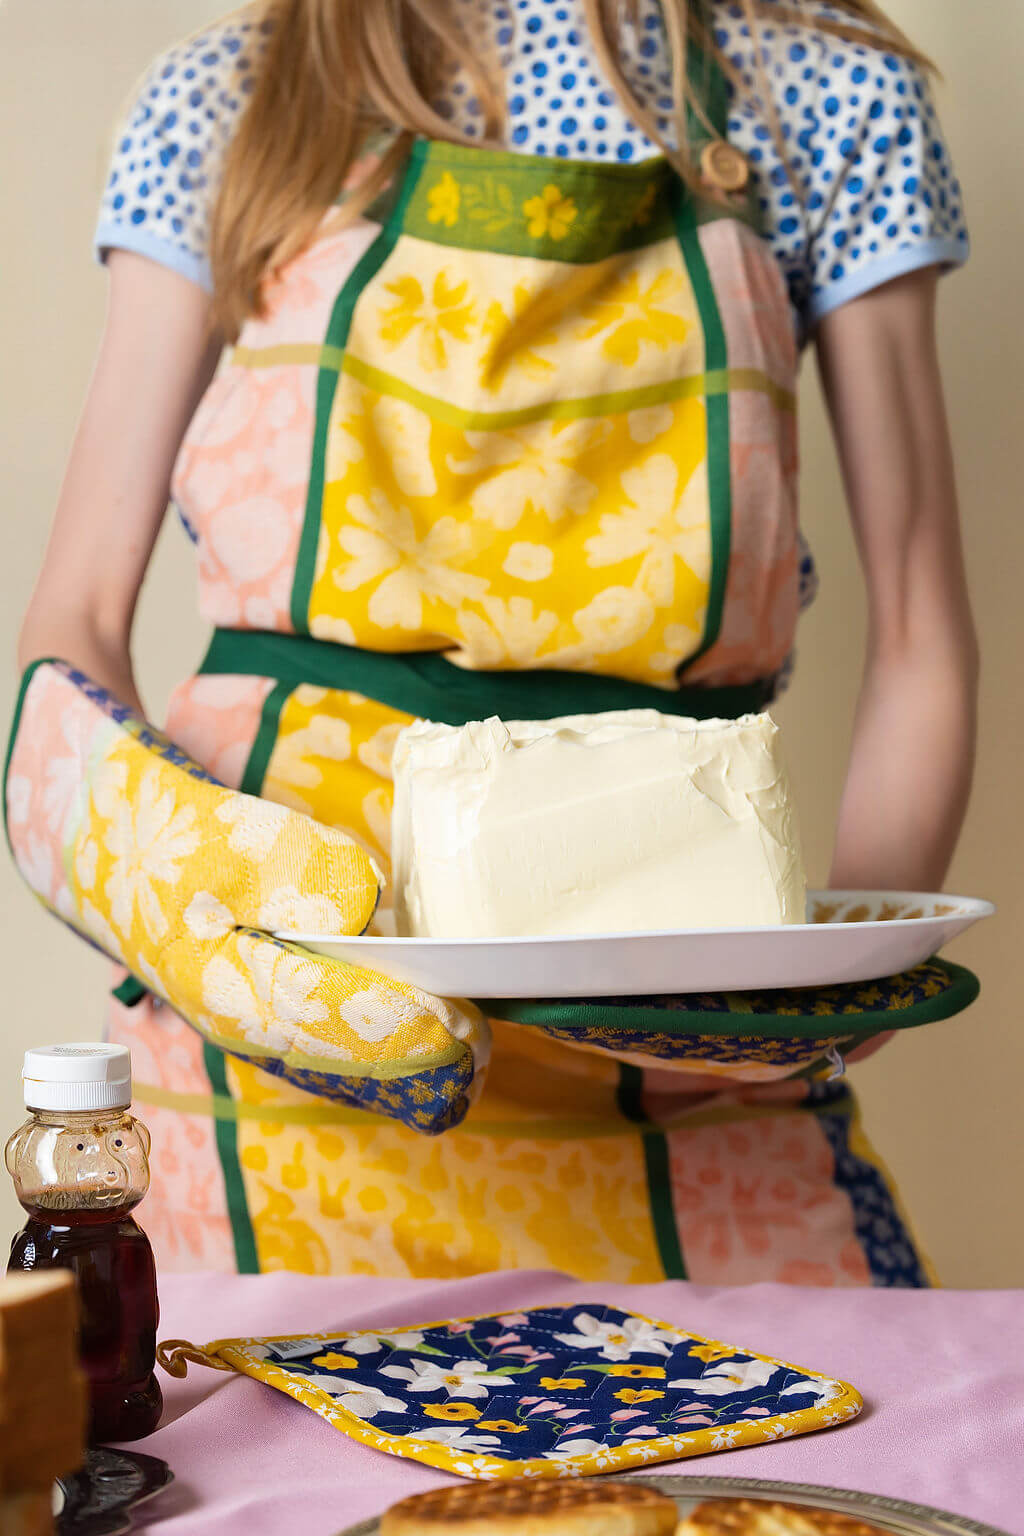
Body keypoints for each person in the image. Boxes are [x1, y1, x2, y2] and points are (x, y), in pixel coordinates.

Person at [8, 0, 977, 1284]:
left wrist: (821, 999)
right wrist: (175, 902)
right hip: (275, 1080)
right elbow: (73, 620)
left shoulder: (828, 96)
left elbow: (919, 629)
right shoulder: (229, 98)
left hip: (693, 1067)